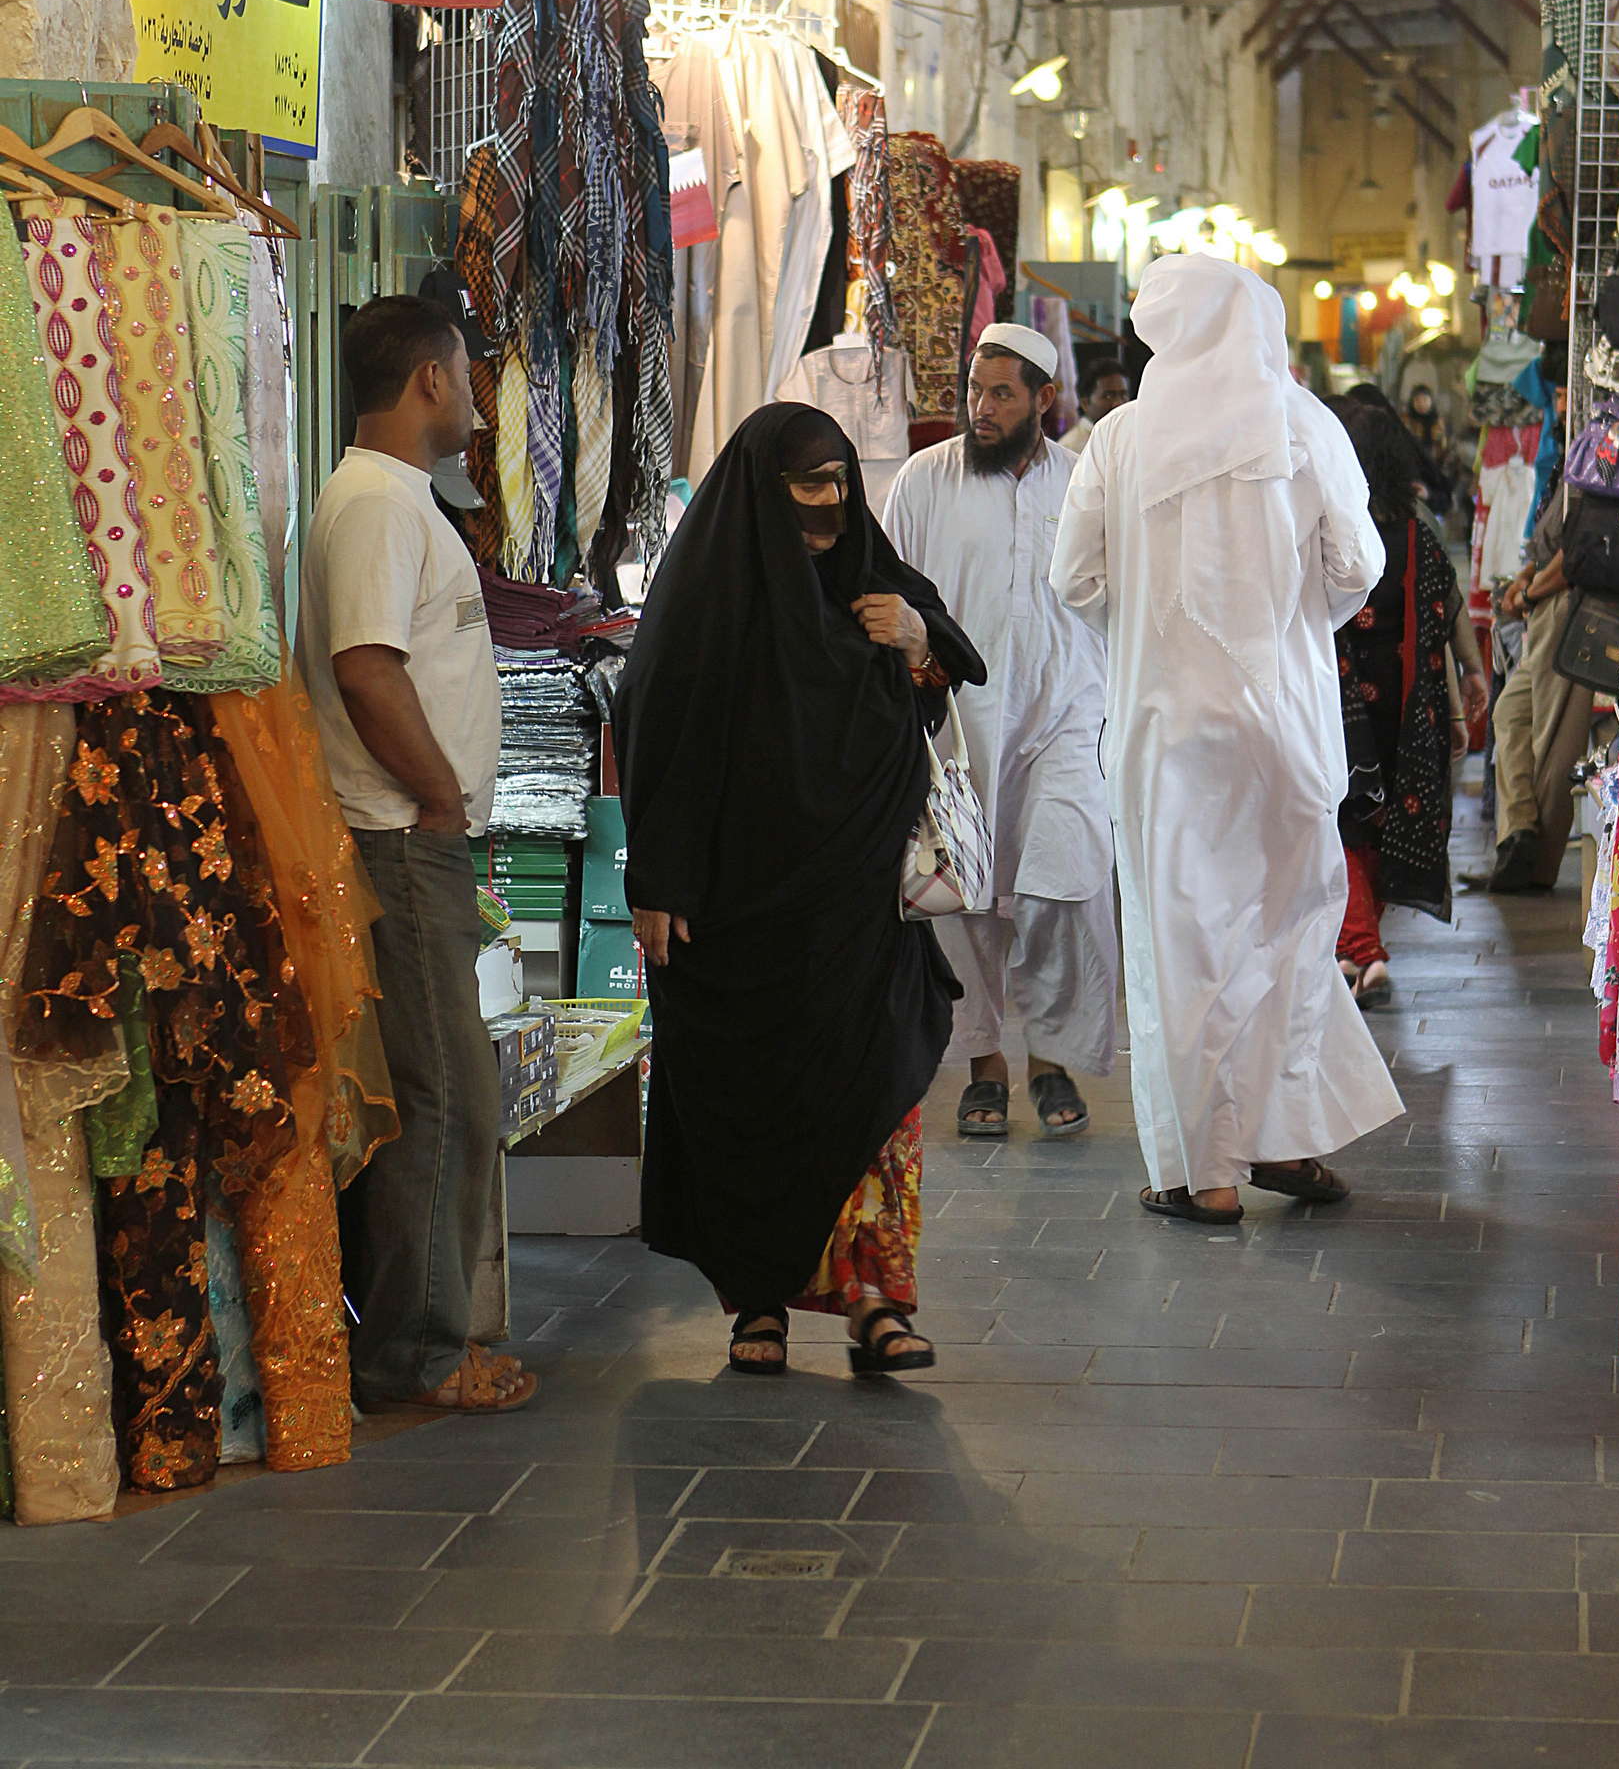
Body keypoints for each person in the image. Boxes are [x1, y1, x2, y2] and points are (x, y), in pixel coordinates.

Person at [614, 404, 985, 1377]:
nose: (829, 502)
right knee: (750, 1104)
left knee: (875, 1091)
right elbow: (663, 739)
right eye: (807, 483)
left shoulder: (872, 576)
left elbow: (946, 672)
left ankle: (875, 1300)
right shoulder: (708, 597)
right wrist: (658, 881)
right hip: (737, 909)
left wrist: (916, 638)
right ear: (759, 491)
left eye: (840, 481)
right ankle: (758, 1302)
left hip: (861, 907)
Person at [1050, 254, 1404, 1222]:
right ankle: (1283, 1141)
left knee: (1180, 945)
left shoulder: (1120, 439)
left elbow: (1073, 579)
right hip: (1287, 725)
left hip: (1162, 733)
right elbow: (1358, 565)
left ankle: (1205, 1175)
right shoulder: (1305, 423)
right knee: (1289, 933)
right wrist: (1292, 621)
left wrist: (1143, 629)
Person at [295, 295, 536, 1416]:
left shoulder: (393, 500)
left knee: (438, 1095)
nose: (477, 398)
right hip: (399, 837)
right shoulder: (376, 506)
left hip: (415, 837)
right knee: (449, 1100)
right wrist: (438, 796)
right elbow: (367, 667)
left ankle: (411, 1338)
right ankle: (420, 1352)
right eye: (465, 371)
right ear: (430, 378)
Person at [883, 324, 1119, 1142]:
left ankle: (1050, 1057)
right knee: (966, 895)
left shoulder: (1086, 483)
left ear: (1045, 399)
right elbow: (891, 594)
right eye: (974, 391)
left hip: (1067, 716)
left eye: (1002, 395)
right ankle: (985, 1066)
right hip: (959, 724)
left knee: (1064, 882)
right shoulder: (923, 481)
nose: (981, 408)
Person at [1329, 405, 1486, 1010]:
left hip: (1342, 701)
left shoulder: (1330, 529)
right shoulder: (1417, 534)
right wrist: (1462, 693)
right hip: (1407, 706)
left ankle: (1362, 952)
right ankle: (1357, 952)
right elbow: (1443, 616)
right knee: (1382, 819)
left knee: (1344, 816)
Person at [1487, 427, 1593, 893]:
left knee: (1553, 740)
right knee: (1510, 713)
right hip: (1550, 604)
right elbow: (1552, 546)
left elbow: (1575, 556)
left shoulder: (1596, 463)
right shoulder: (1571, 459)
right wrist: (1525, 582)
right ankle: (1519, 835)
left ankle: (1537, 866)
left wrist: (1530, 591)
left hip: (1571, 608)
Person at [1061, 353, 1130, 454]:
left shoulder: (1132, 438)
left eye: (1123, 395)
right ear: (1085, 403)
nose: (1118, 403)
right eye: (1108, 396)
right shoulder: (1070, 448)